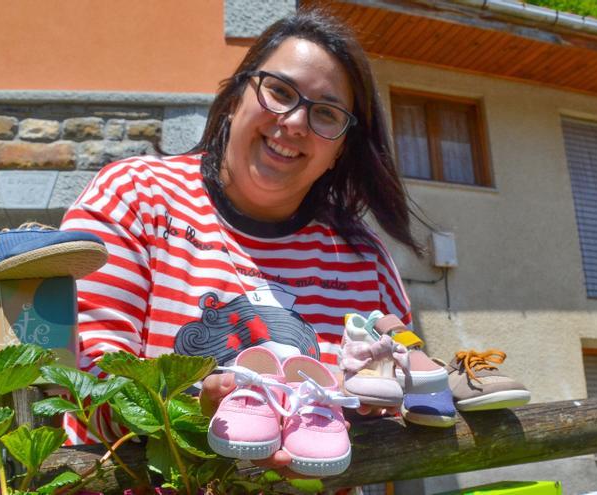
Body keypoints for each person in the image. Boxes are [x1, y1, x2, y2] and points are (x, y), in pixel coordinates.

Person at [60, 8, 421, 476]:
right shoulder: (135, 197)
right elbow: (84, 384)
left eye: (326, 114)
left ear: (340, 151)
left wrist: (383, 399)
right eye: (279, 91)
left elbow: (403, 391)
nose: (293, 122)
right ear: (235, 97)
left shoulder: (364, 261)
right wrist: (191, 418)